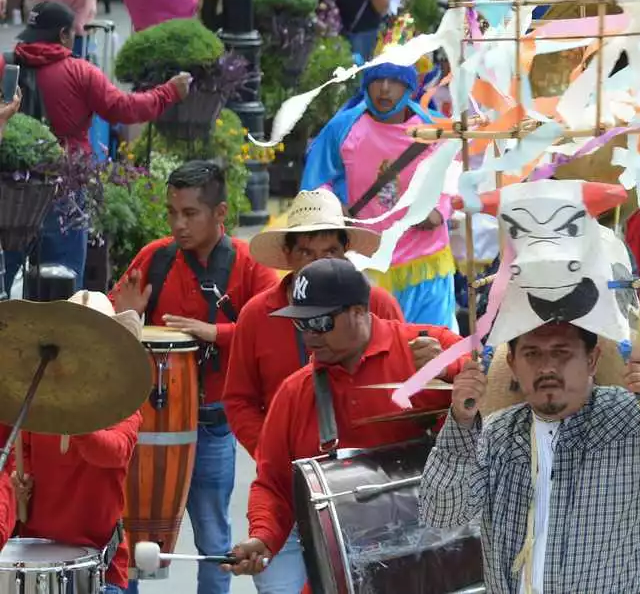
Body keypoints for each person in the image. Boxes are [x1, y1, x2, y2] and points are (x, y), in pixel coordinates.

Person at [419, 317, 640, 593]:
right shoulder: (496, 432)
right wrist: (461, 422)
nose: (547, 367)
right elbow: (441, 514)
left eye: (562, 353)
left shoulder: (636, 420)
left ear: (592, 359)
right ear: (513, 364)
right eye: (532, 353)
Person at [224, 258, 462, 582]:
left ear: (359, 312)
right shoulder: (294, 393)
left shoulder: (427, 347)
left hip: (438, 567)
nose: (309, 335)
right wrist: (263, 536)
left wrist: (450, 372)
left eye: (320, 321)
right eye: (300, 323)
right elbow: (273, 484)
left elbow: (500, 388)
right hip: (347, 576)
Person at [222, 190, 406, 592]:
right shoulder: (257, 313)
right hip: (285, 495)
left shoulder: (377, 304)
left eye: (330, 251)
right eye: (307, 252)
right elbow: (238, 400)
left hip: (368, 501)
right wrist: (277, 449)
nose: (319, 262)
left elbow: (407, 389)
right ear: (288, 256)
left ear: (346, 255)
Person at [110, 160, 278, 594]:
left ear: (220, 213)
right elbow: (108, 314)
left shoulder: (248, 263)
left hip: (213, 420)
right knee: (131, 533)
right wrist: (126, 315)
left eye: (190, 213)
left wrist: (214, 332)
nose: (178, 224)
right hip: (148, 421)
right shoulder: (155, 257)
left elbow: (275, 327)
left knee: (213, 539)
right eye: (172, 213)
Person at [0, 1, 188, 295]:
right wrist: (169, 92)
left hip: (10, 194)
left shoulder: (6, 65)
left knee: (4, 276)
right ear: (64, 34)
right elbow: (125, 108)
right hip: (65, 192)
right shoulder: (79, 72)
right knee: (64, 280)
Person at [2, 290, 144, 594]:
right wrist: (18, 485)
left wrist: (74, 422)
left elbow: (115, 453)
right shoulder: (34, 399)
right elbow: (18, 457)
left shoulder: (123, 404)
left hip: (100, 568)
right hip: (35, 561)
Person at [301, 61, 456, 329]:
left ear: (410, 86)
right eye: (377, 80)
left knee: (433, 346)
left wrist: (439, 209)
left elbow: (451, 175)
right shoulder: (344, 128)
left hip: (425, 261)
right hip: (368, 262)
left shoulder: (432, 129)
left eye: (395, 81)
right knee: (375, 351)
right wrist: (333, 205)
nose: (384, 89)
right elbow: (315, 181)